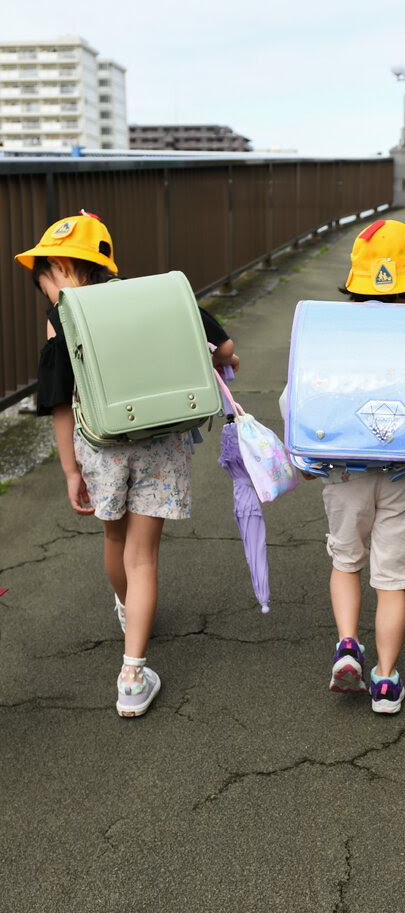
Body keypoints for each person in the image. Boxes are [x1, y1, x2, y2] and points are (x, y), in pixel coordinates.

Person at [17, 211, 239, 718]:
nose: (47, 294)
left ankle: (127, 611)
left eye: (45, 281)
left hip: (101, 448)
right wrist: (228, 362)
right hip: (162, 446)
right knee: (145, 559)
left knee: (115, 542)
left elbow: (57, 403)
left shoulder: (64, 322)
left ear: (62, 268)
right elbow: (224, 347)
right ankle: (134, 676)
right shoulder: (159, 298)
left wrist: (71, 470)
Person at [319, 219, 405, 714]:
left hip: (344, 472)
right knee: (392, 580)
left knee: (345, 561)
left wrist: (312, 457)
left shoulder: (330, 336)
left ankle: (347, 645)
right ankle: (383, 679)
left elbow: (301, 398)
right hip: (404, 473)